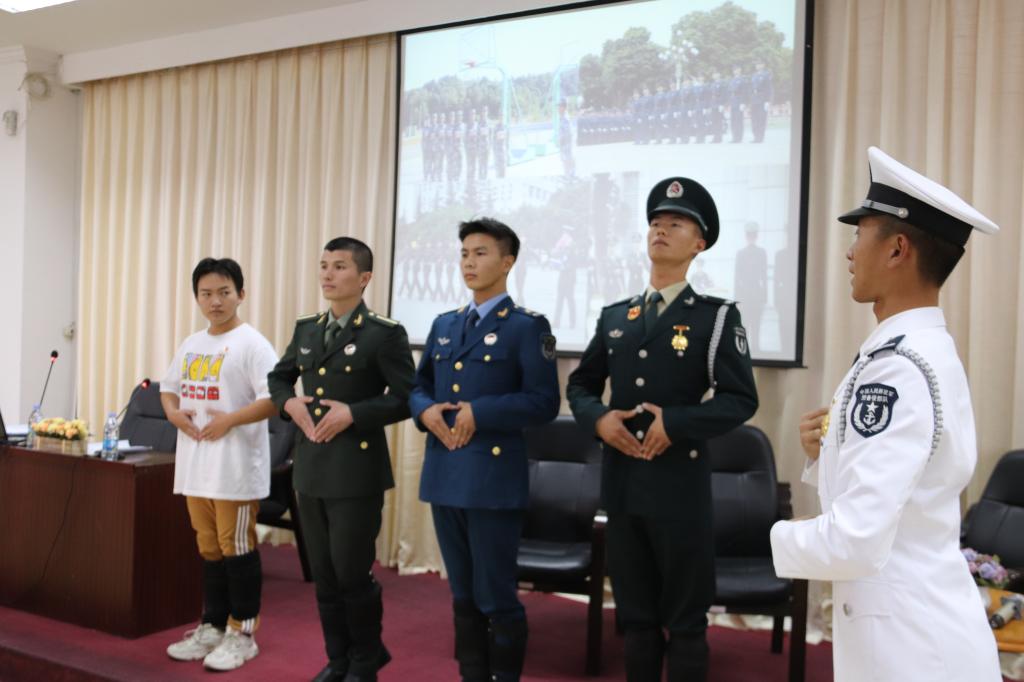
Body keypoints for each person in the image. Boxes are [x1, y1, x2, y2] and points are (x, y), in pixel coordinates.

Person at [769, 146, 1002, 681]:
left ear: (898, 249)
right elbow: (910, 485)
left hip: (914, 650)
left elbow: (855, 539)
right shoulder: (911, 350)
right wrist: (828, 450)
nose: (850, 253)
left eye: (860, 235)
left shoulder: (898, 366)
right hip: (912, 633)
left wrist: (771, 535)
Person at [567, 178, 758, 681]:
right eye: (655, 222)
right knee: (636, 620)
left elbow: (741, 399)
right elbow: (581, 385)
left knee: (686, 623)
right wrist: (599, 419)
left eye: (676, 224)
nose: (661, 230)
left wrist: (676, 422)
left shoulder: (716, 317)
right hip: (623, 486)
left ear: (699, 243)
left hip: (680, 491)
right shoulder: (617, 316)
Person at [410, 218, 560, 682]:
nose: (469, 263)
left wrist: (482, 411)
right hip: (445, 473)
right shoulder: (445, 323)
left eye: (480, 253)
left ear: (507, 261)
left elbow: (544, 402)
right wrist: (425, 412)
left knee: (495, 595)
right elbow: (418, 387)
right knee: (462, 594)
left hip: (493, 483)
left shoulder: (526, 327)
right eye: (464, 254)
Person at [267, 237, 415, 682]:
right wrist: (288, 404)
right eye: (324, 265)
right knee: (325, 576)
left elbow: (406, 397)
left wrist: (354, 413)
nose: (328, 274)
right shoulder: (308, 328)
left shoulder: (383, 333)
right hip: (311, 466)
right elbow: (279, 377)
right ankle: (338, 659)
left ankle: (365, 660)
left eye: (340, 266)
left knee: (351, 573)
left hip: (356, 470)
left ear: (364, 277)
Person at [160, 257, 279, 672]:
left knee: (237, 548)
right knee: (208, 548)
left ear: (240, 294)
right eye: (206, 293)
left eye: (224, 292)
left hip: (235, 469)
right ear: (196, 297)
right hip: (196, 466)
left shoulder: (253, 344)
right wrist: (173, 414)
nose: (215, 301)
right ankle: (212, 625)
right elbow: (169, 389)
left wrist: (230, 419)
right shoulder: (192, 343)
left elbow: (273, 398)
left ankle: (242, 633)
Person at [733, 221, 767, 353]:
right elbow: (737, 277)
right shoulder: (741, 253)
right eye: (749, 235)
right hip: (744, 295)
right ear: (746, 236)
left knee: (757, 323)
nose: (751, 237)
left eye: (753, 235)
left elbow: (764, 276)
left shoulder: (761, 253)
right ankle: (744, 349)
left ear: (756, 236)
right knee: (745, 323)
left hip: (756, 294)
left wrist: (764, 296)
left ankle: (756, 347)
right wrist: (737, 297)